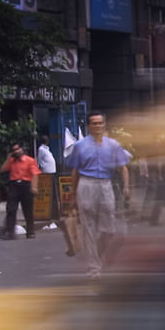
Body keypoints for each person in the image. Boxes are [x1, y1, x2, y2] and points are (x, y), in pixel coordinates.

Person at [68, 112, 131, 276]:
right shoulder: (80, 146)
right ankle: (93, 267)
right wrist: (72, 194)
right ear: (88, 126)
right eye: (94, 123)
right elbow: (74, 171)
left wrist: (126, 187)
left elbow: (123, 166)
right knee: (88, 227)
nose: (97, 126)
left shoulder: (113, 145)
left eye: (100, 123)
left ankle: (96, 253)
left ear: (104, 125)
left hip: (105, 185)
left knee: (109, 229)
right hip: (86, 184)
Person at [0, 142, 40, 239]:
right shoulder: (11, 161)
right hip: (14, 186)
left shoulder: (29, 160)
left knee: (28, 210)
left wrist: (34, 187)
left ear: (22, 149)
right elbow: (2, 170)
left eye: (18, 149)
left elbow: (35, 174)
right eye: (14, 150)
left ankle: (30, 231)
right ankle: (10, 232)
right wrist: (8, 159)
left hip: (26, 186)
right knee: (11, 209)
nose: (16, 152)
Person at [36, 135, 59, 220]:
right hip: (46, 172)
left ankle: (54, 213)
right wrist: (37, 170)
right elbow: (39, 160)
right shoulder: (41, 149)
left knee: (53, 193)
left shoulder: (46, 149)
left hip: (51, 171)